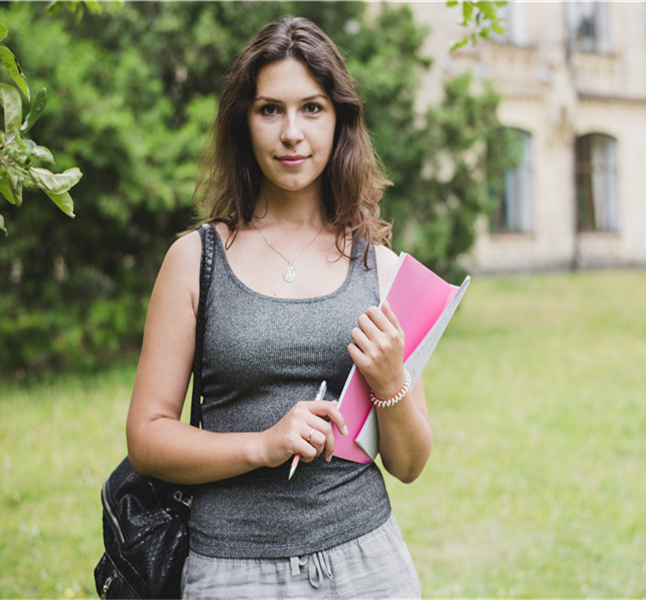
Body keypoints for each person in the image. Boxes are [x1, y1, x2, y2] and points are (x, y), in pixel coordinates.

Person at [125, 16, 433, 598]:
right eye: (270, 109)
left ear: (340, 119)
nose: (292, 132)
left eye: (312, 108)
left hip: (367, 564)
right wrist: (262, 444)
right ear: (245, 122)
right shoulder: (195, 260)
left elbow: (411, 464)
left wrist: (391, 379)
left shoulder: (382, 270)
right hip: (231, 570)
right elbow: (146, 437)